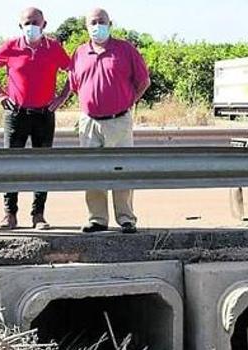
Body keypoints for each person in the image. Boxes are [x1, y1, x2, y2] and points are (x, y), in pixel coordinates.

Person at [0, 7, 72, 231]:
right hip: (16, 114)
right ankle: (9, 214)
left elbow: (72, 71)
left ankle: (38, 215)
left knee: (43, 166)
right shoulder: (11, 46)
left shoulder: (53, 48)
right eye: (26, 22)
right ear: (20, 25)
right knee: (12, 165)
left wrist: (62, 97)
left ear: (44, 24)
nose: (31, 26)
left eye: (35, 22)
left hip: (44, 114)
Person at [69, 8, 150, 234]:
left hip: (119, 121)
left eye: (101, 21)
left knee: (121, 168)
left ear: (110, 23)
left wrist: (127, 102)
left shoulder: (125, 49)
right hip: (89, 122)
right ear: (86, 27)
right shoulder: (79, 52)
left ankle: (126, 218)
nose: (97, 26)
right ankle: (97, 219)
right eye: (93, 22)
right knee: (91, 171)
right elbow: (76, 85)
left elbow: (143, 82)